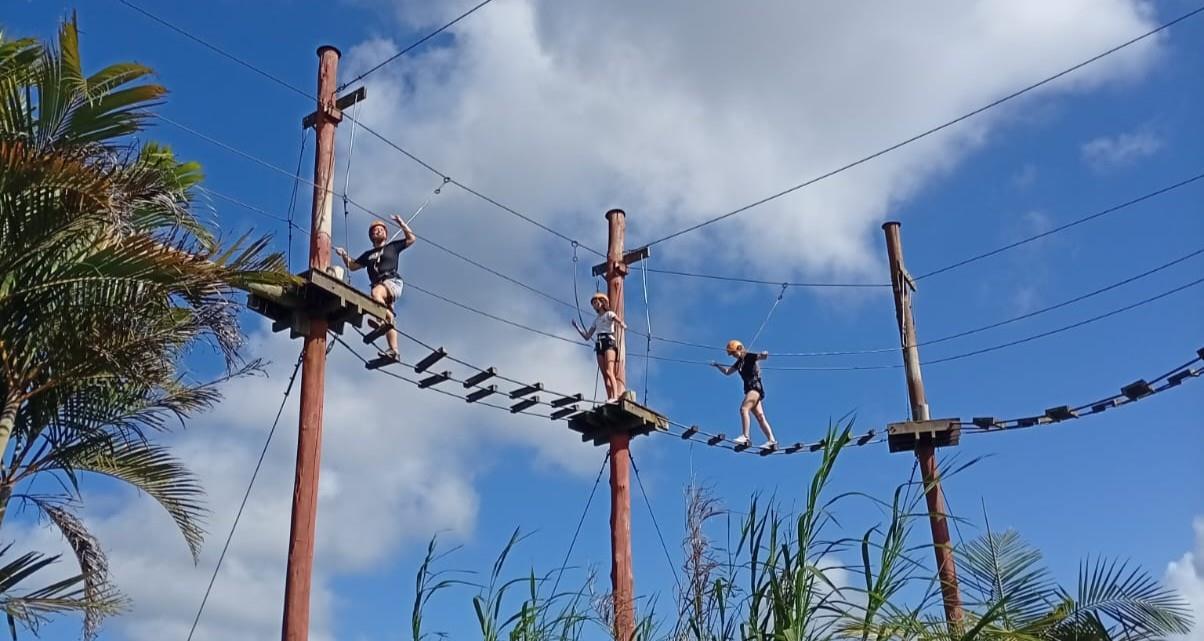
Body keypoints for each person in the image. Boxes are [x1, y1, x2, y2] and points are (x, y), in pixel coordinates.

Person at [335, 215, 416, 361]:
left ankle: (380, 320)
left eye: (381, 230)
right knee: (389, 316)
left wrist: (401, 223)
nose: (378, 231)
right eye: (375, 230)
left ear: (385, 233)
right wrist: (343, 255)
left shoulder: (392, 247)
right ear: (371, 236)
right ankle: (394, 350)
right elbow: (352, 266)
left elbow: (411, 239)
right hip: (381, 287)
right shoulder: (368, 255)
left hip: (392, 282)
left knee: (376, 292)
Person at [711, 340, 777, 449]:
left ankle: (745, 436)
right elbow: (728, 372)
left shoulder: (749, 356)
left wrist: (764, 353)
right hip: (752, 390)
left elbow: (762, 357)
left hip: (754, 389)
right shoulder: (739, 362)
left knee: (744, 409)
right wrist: (718, 365)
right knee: (760, 417)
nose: (733, 356)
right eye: (731, 354)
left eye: (733, 353)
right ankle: (772, 440)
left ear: (739, 348)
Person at [572, 292, 628, 402]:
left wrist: (622, 324)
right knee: (604, 374)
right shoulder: (596, 320)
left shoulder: (609, 314)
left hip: (609, 342)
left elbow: (617, 320)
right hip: (599, 344)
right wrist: (577, 327)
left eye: (596, 302)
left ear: (602, 302)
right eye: (593, 304)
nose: (595, 305)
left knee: (609, 371)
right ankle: (610, 397)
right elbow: (587, 336)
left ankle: (615, 396)